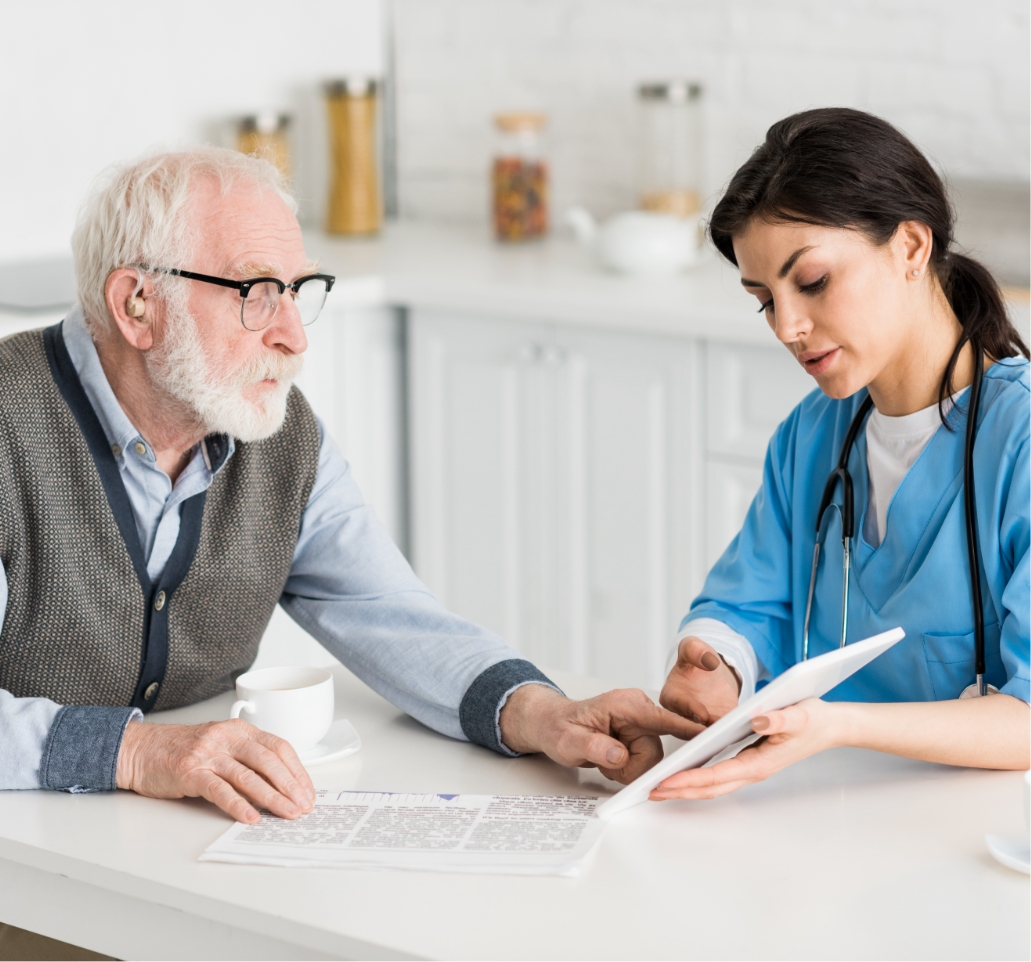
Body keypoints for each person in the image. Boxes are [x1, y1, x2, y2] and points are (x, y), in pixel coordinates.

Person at [0, 147, 700, 824]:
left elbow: (389, 614)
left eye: (298, 291)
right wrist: (134, 751)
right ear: (137, 306)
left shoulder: (276, 435)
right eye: (257, 292)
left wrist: (541, 713)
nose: (295, 337)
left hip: (167, 836)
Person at [653, 108, 1029, 802]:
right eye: (763, 300)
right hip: (820, 816)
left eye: (813, 281)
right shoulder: (814, 434)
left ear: (910, 248)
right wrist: (714, 662)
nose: (788, 327)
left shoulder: (1019, 443)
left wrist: (834, 725)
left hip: (973, 827)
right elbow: (749, 602)